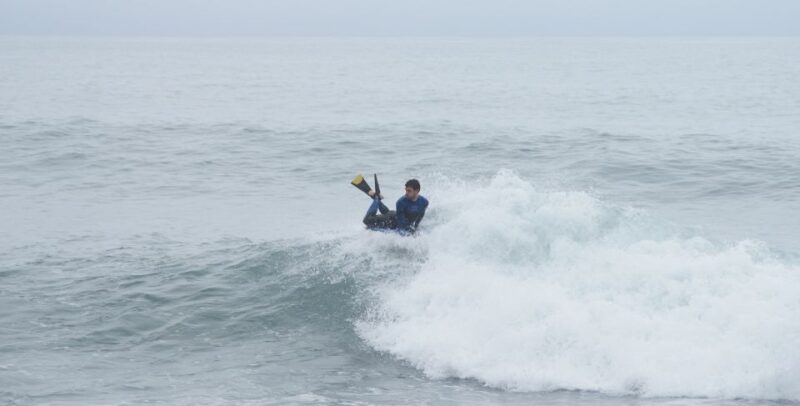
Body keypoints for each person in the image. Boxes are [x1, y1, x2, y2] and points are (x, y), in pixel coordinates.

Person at [362, 179, 428, 234]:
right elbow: (401, 224)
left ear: (417, 191)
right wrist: (409, 233)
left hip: (395, 217)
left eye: (409, 191)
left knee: (386, 212)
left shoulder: (424, 202)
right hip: (390, 220)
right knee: (366, 221)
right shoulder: (400, 202)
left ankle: (378, 198)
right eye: (406, 190)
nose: (406, 193)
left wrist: (415, 228)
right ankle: (376, 198)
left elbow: (419, 218)